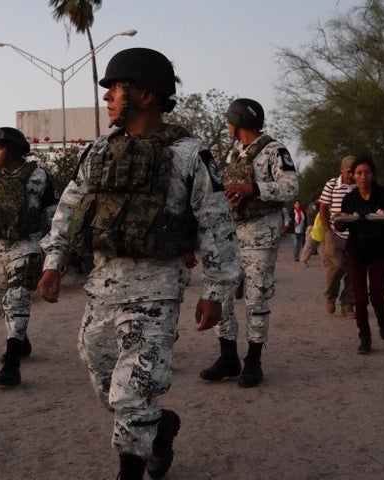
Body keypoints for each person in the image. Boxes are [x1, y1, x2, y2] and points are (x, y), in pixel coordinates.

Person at [36, 47, 241, 480]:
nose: (107, 96)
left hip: (156, 291)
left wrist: (216, 291)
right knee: (104, 379)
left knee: (133, 393)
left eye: (115, 88)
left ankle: (130, 468)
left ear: (145, 95)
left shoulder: (189, 154)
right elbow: (69, 208)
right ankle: (160, 427)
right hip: (102, 288)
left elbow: (215, 224)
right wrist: (53, 261)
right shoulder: (97, 151)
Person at [199, 98, 299, 389]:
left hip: (259, 236)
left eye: (230, 122)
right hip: (231, 236)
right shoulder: (234, 153)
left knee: (256, 299)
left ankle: (253, 362)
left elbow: (291, 186)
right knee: (222, 298)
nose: (228, 127)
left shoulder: (274, 150)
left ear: (239, 122)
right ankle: (228, 356)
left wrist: (253, 188)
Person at [0, 126, 58, 387]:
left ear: (15, 150)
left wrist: (52, 249)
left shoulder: (39, 177)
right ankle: (21, 341)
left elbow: (52, 214)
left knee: (17, 299)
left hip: (26, 246)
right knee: (2, 302)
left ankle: (12, 364)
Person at [334, 155, 384, 354]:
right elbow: (344, 223)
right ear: (353, 176)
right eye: (359, 173)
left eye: (367, 172)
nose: (363, 176)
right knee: (360, 298)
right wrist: (340, 221)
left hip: (380, 251)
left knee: (377, 296)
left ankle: (383, 321)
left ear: (373, 174)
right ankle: (364, 337)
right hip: (356, 251)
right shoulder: (350, 198)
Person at [319, 155, 358, 318]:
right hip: (335, 235)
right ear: (341, 170)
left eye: (354, 171)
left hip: (356, 236)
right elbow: (323, 209)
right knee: (337, 267)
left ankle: (348, 304)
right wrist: (328, 231)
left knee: (353, 271)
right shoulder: (332, 184)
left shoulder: (359, 186)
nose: (352, 175)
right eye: (349, 171)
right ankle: (330, 296)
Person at [299, 201, 322, 267]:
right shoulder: (313, 205)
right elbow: (315, 213)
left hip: (320, 228)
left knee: (322, 246)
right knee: (309, 245)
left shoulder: (322, 205)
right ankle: (303, 260)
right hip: (313, 227)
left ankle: (325, 261)